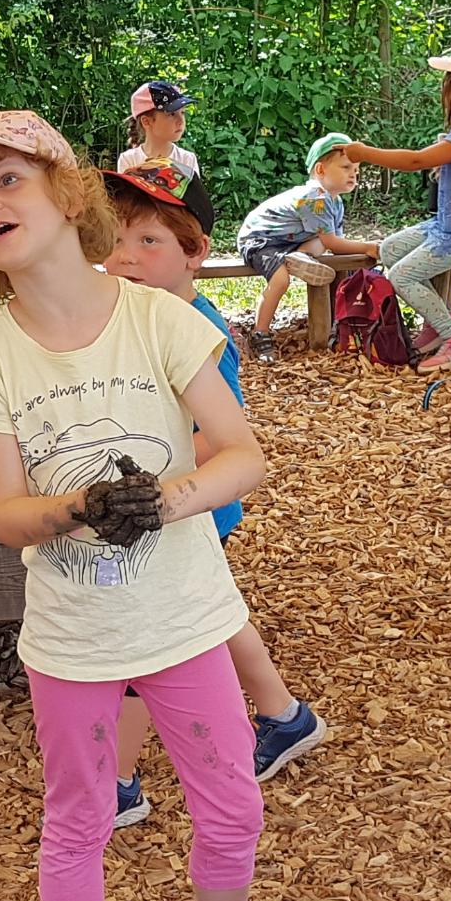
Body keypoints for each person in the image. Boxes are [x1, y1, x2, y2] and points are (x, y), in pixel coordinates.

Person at [0, 111, 330, 901]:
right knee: (80, 820)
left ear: (65, 196)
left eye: (6, 180)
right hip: (71, 639)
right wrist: (73, 512)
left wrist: (169, 497)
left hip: (188, 616)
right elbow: (7, 512)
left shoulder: (158, 321)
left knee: (231, 802)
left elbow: (243, 454)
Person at [101, 164, 328, 821]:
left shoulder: (199, 332)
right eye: (117, 241)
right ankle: (285, 716)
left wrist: (149, 485)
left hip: (187, 504)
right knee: (214, 616)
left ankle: (115, 786)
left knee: (150, 639)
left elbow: (221, 437)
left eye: (150, 242)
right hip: (162, 506)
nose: (127, 258)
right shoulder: (135, 316)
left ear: (195, 252)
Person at [344, 44, 451, 374]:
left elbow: (416, 160)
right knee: (390, 249)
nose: (443, 89)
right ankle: (438, 322)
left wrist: (364, 152)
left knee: (401, 276)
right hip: (449, 226)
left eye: (448, 80)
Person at [235, 132, 380, 363]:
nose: (353, 173)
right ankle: (260, 332)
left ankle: (299, 257)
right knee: (281, 279)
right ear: (320, 170)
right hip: (261, 239)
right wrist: (368, 247)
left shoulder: (334, 200)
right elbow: (335, 244)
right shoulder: (315, 197)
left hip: (289, 241)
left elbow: (334, 243)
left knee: (321, 242)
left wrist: (359, 253)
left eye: (356, 170)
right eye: (345, 167)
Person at [118, 79, 200, 175]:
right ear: (146, 121)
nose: (181, 121)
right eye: (172, 114)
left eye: (182, 113)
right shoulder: (128, 160)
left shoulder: (187, 159)